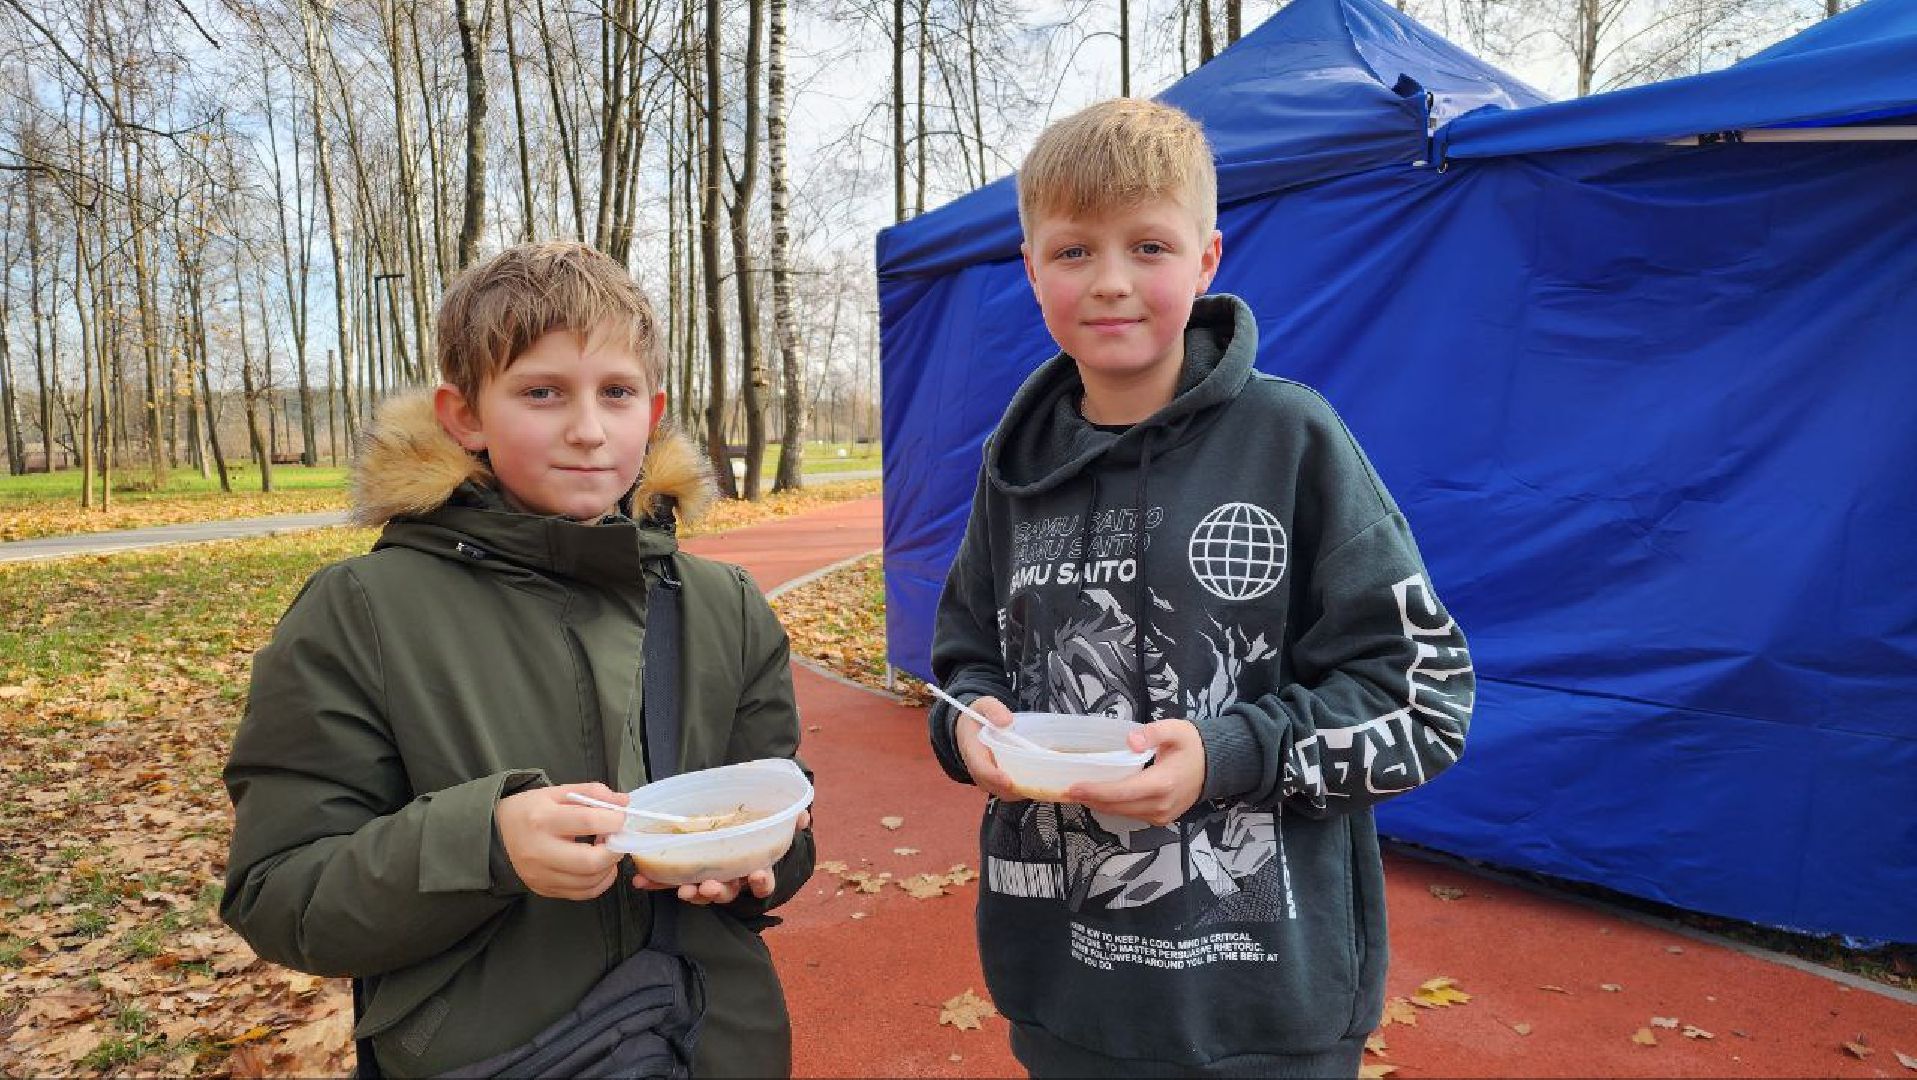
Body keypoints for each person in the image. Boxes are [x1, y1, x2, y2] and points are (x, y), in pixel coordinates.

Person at [926, 98, 1476, 1078]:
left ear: (1207, 259)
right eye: (1073, 251)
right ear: (1031, 268)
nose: (1110, 281)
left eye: (1148, 246)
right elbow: (966, 664)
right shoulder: (1010, 472)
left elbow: (1423, 701)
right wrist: (969, 727)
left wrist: (1227, 754)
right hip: (1063, 1000)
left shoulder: (1293, 441)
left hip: (1265, 1017)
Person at [221, 241, 813, 1077]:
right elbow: (280, 896)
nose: (588, 429)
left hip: (713, 1045)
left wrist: (760, 860)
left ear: (652, 412)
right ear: (464, 415)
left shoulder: (725, 605)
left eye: (616, 393)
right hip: (493, 1056)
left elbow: (780, 809)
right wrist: (485, 847)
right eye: (542, 392)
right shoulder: (361, 612)